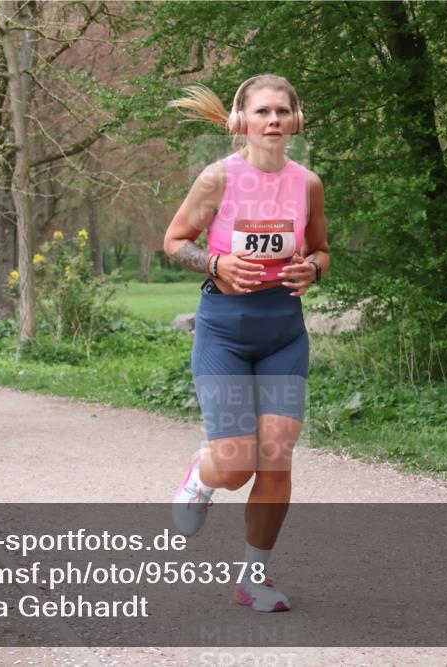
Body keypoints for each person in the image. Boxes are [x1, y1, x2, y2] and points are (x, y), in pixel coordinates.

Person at [164, 75, 330, 612]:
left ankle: (252, 577)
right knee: (236, 467)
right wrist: (215, 263)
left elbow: (323, 250)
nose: (274, 119)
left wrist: (312, 269)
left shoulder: (308, 184)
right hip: (225, 332)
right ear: (242, 122)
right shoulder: (218, 178)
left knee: (277, 458)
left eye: (283, 110)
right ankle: (201, 473)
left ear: (297, 121)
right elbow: (174, 242)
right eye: (263, 111)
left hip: (283, 333)